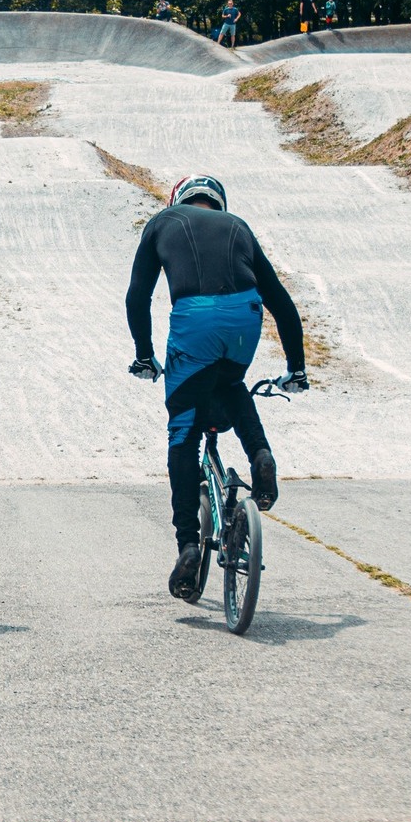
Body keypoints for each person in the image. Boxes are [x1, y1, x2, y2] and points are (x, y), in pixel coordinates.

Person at [125, 175, 310, 602]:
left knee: (183, 434)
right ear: (219, 203)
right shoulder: (239, 226)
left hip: (196, 320)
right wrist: (296, 369)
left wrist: (143, 354)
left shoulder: (161, 222)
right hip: (244, 318)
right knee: (230, 382)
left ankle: (188, 545)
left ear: (179, 200)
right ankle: (261, 457)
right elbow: (280, 302)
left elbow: (138, 296)